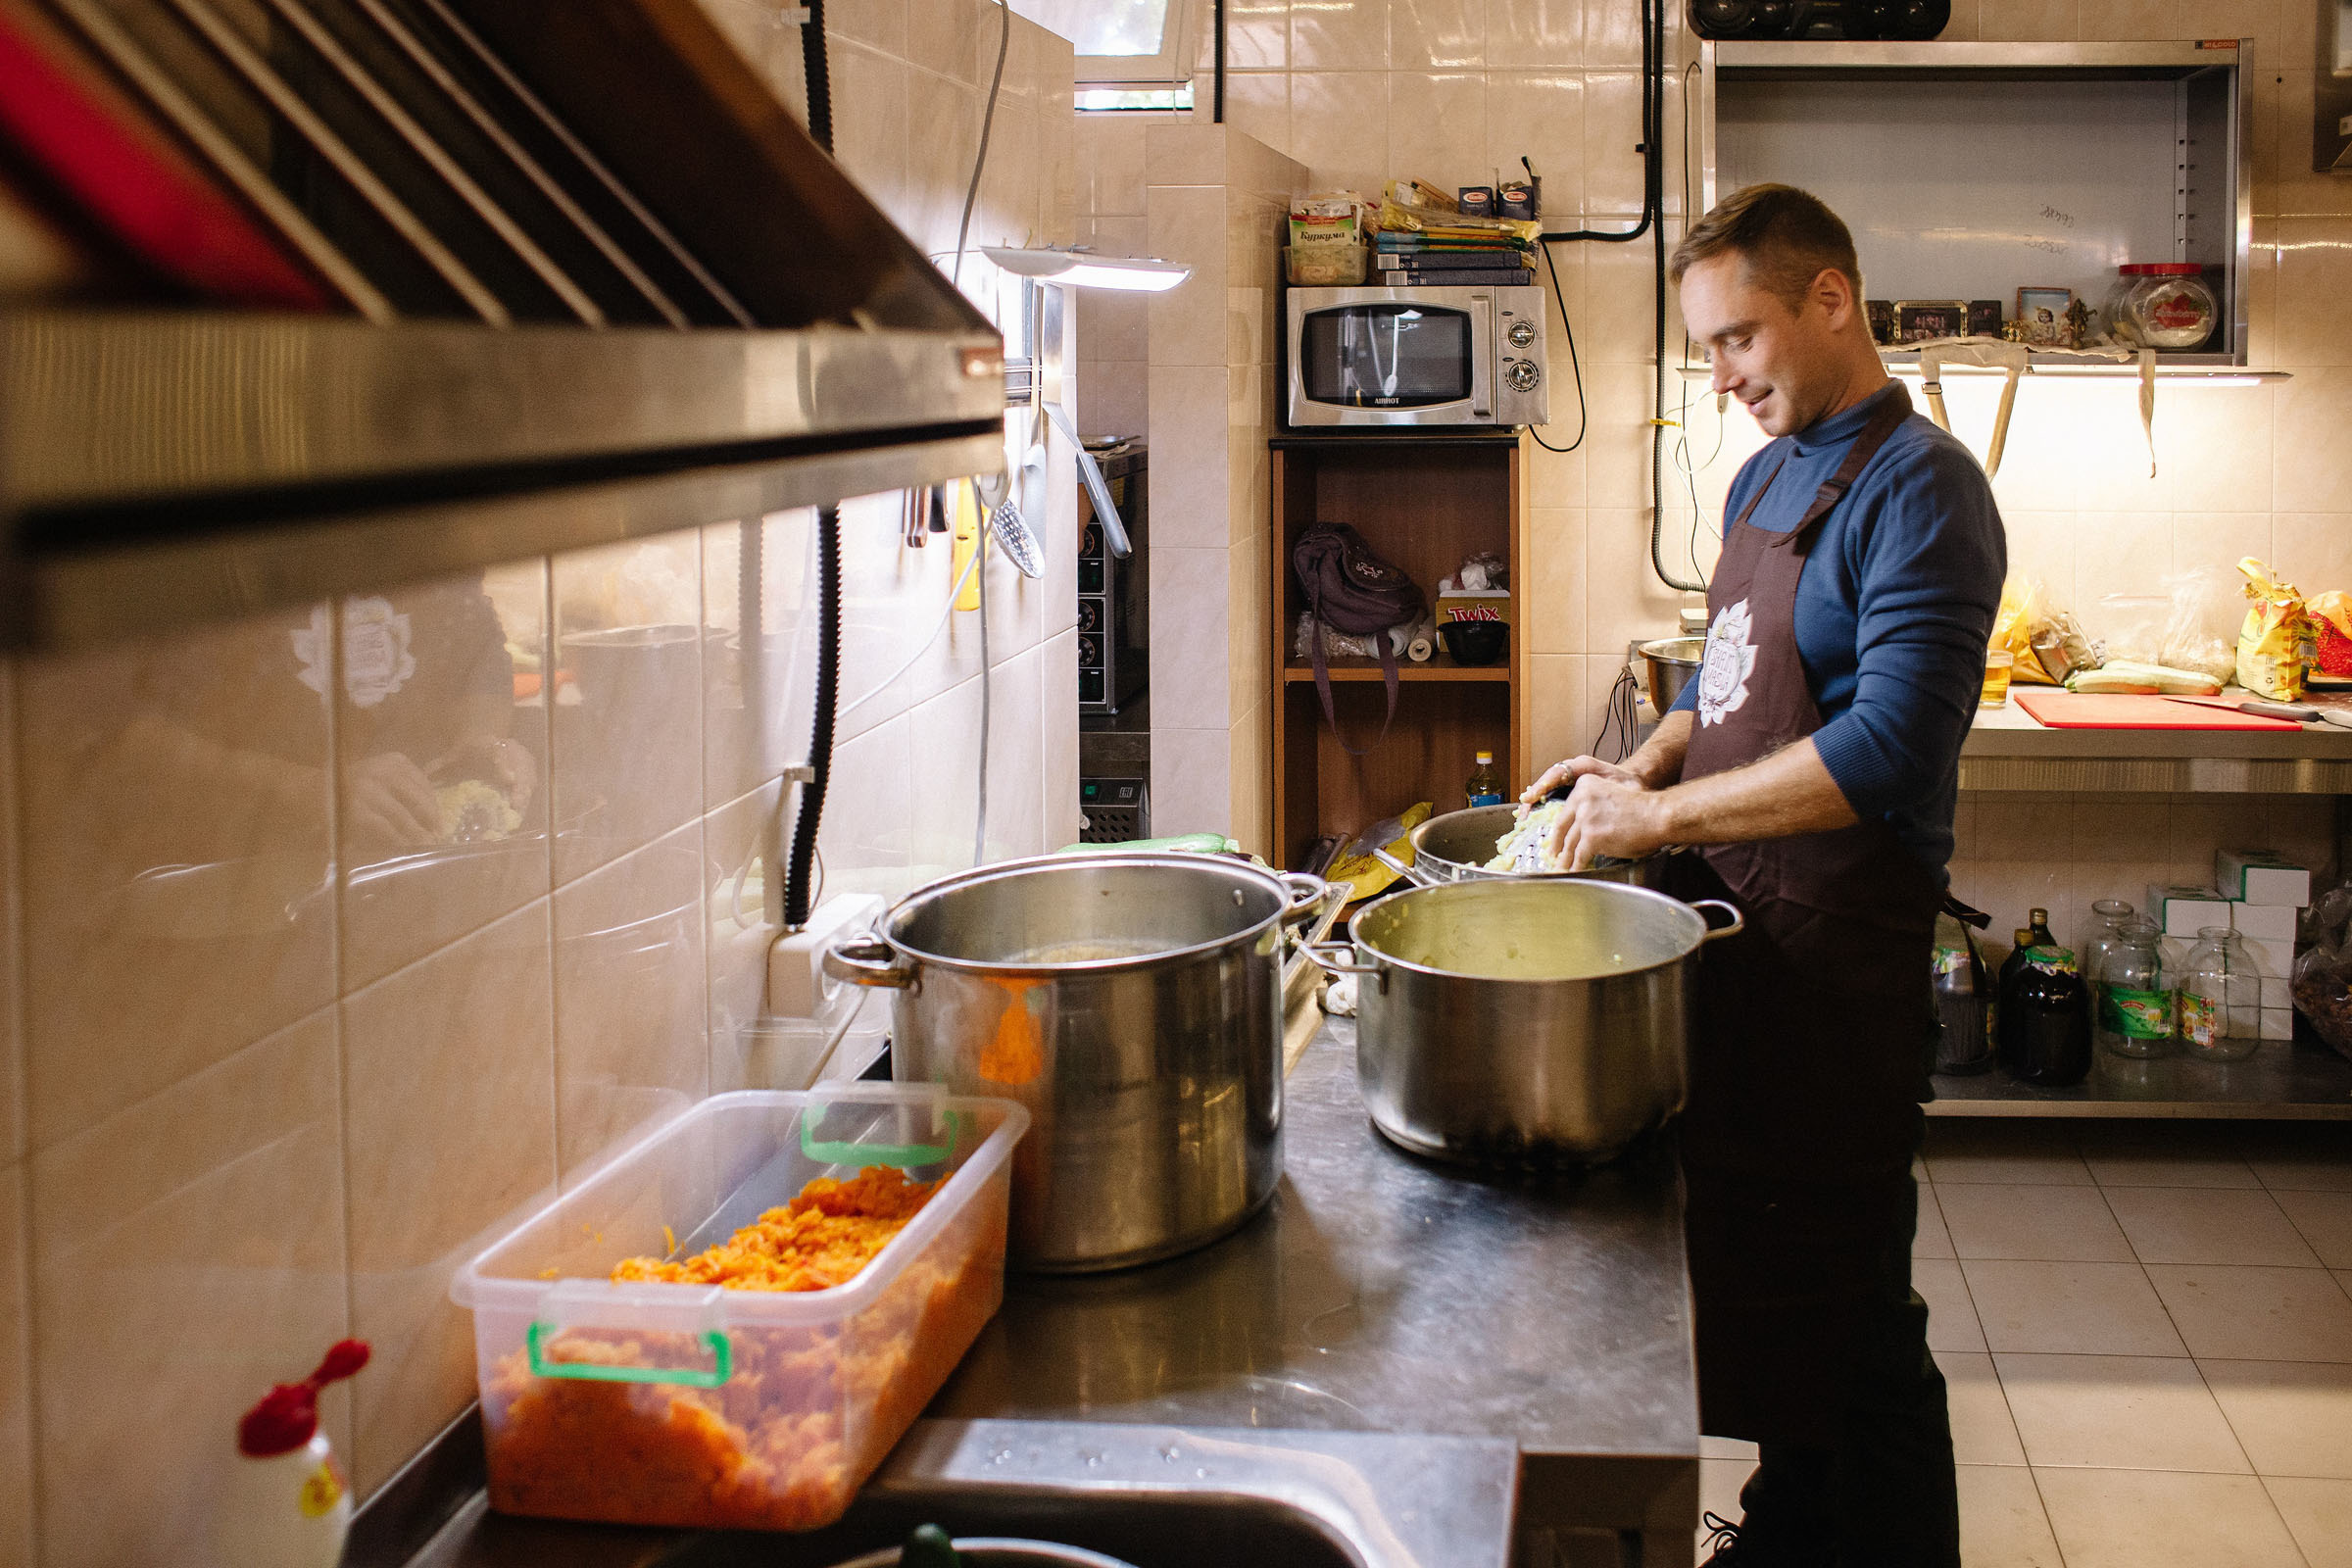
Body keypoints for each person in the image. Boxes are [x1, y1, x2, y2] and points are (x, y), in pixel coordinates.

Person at [1524, 183, 2006, 1567]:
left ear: (1829, 299)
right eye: (1708, 348)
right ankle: (1794, 1531)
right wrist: (1643, 765)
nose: (1725, 376)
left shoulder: (1922, 490)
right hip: (1744, 945)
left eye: (1740, 338)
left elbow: (1890, 746)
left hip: (1839, 966)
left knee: (1856, 1325)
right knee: (1777, 1301)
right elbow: (1725, 680)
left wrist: (1656, 824)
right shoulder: (1761, 477)